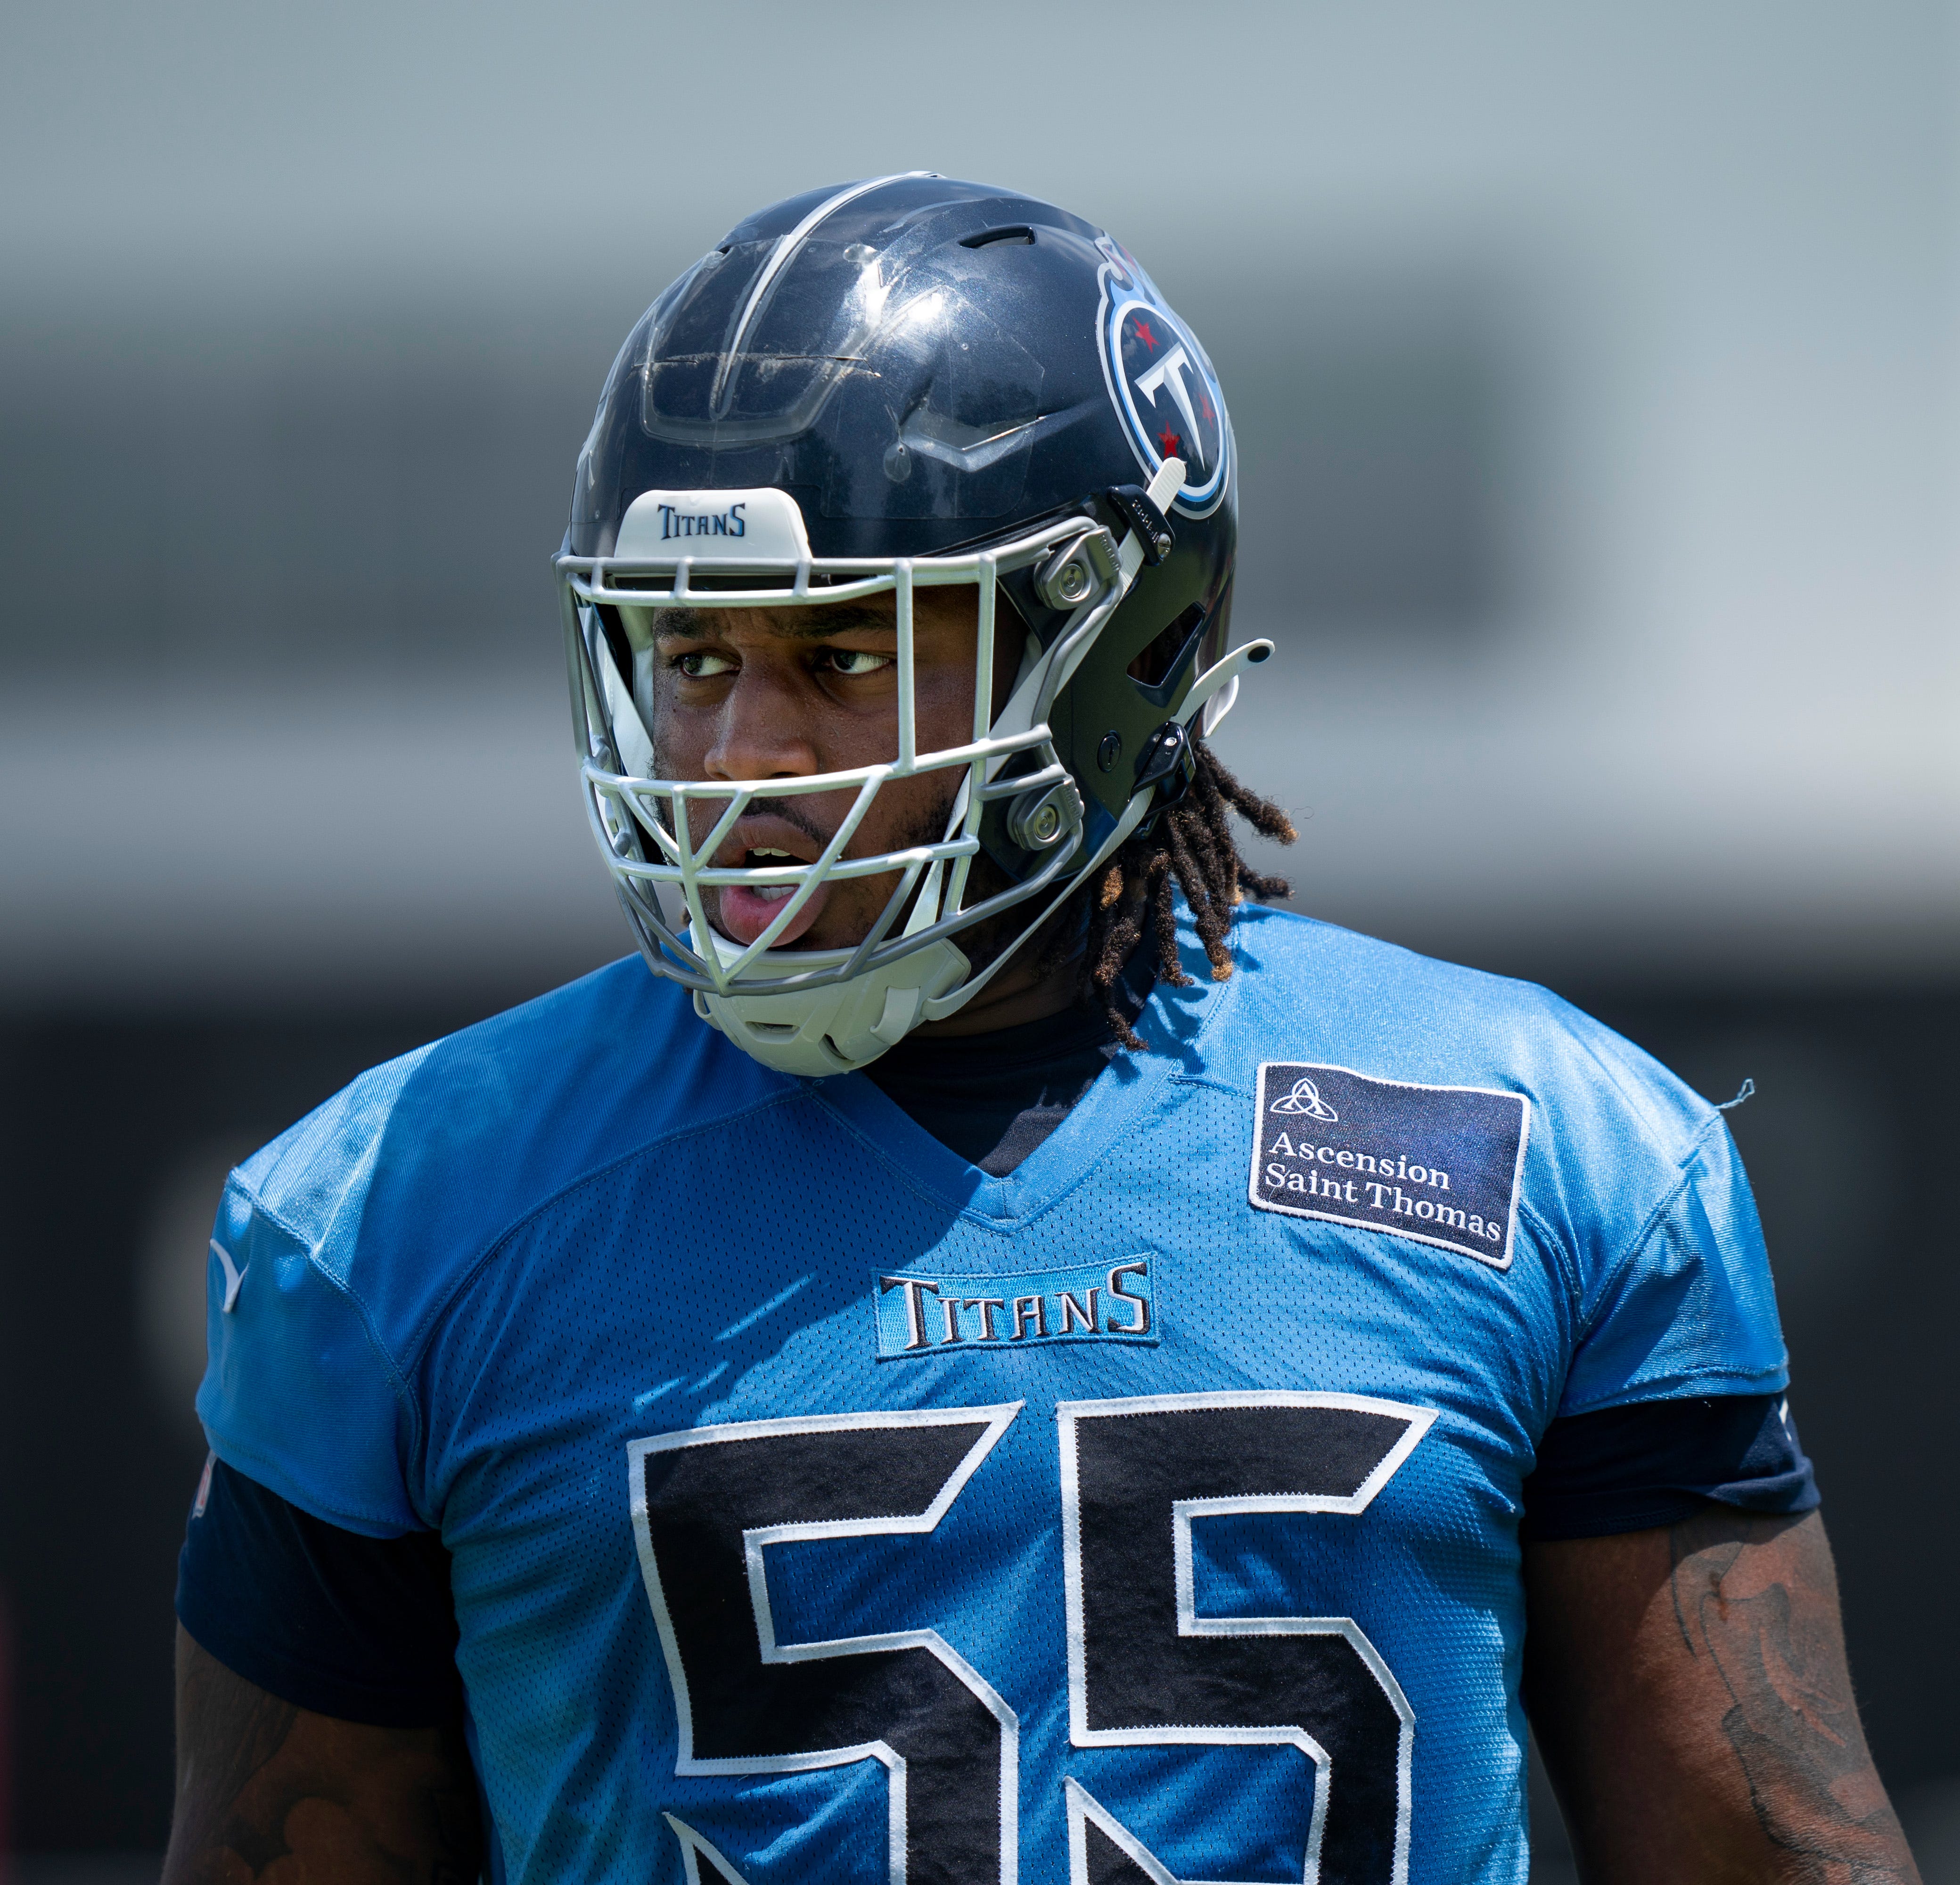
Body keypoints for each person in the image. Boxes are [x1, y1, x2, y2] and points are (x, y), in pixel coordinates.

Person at [164, 174, 1919, 1885]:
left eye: (844, 654)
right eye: (693, 658)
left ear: (1116, 647)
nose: (736, 762)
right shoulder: (398, 1214)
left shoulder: (1542, 1150)